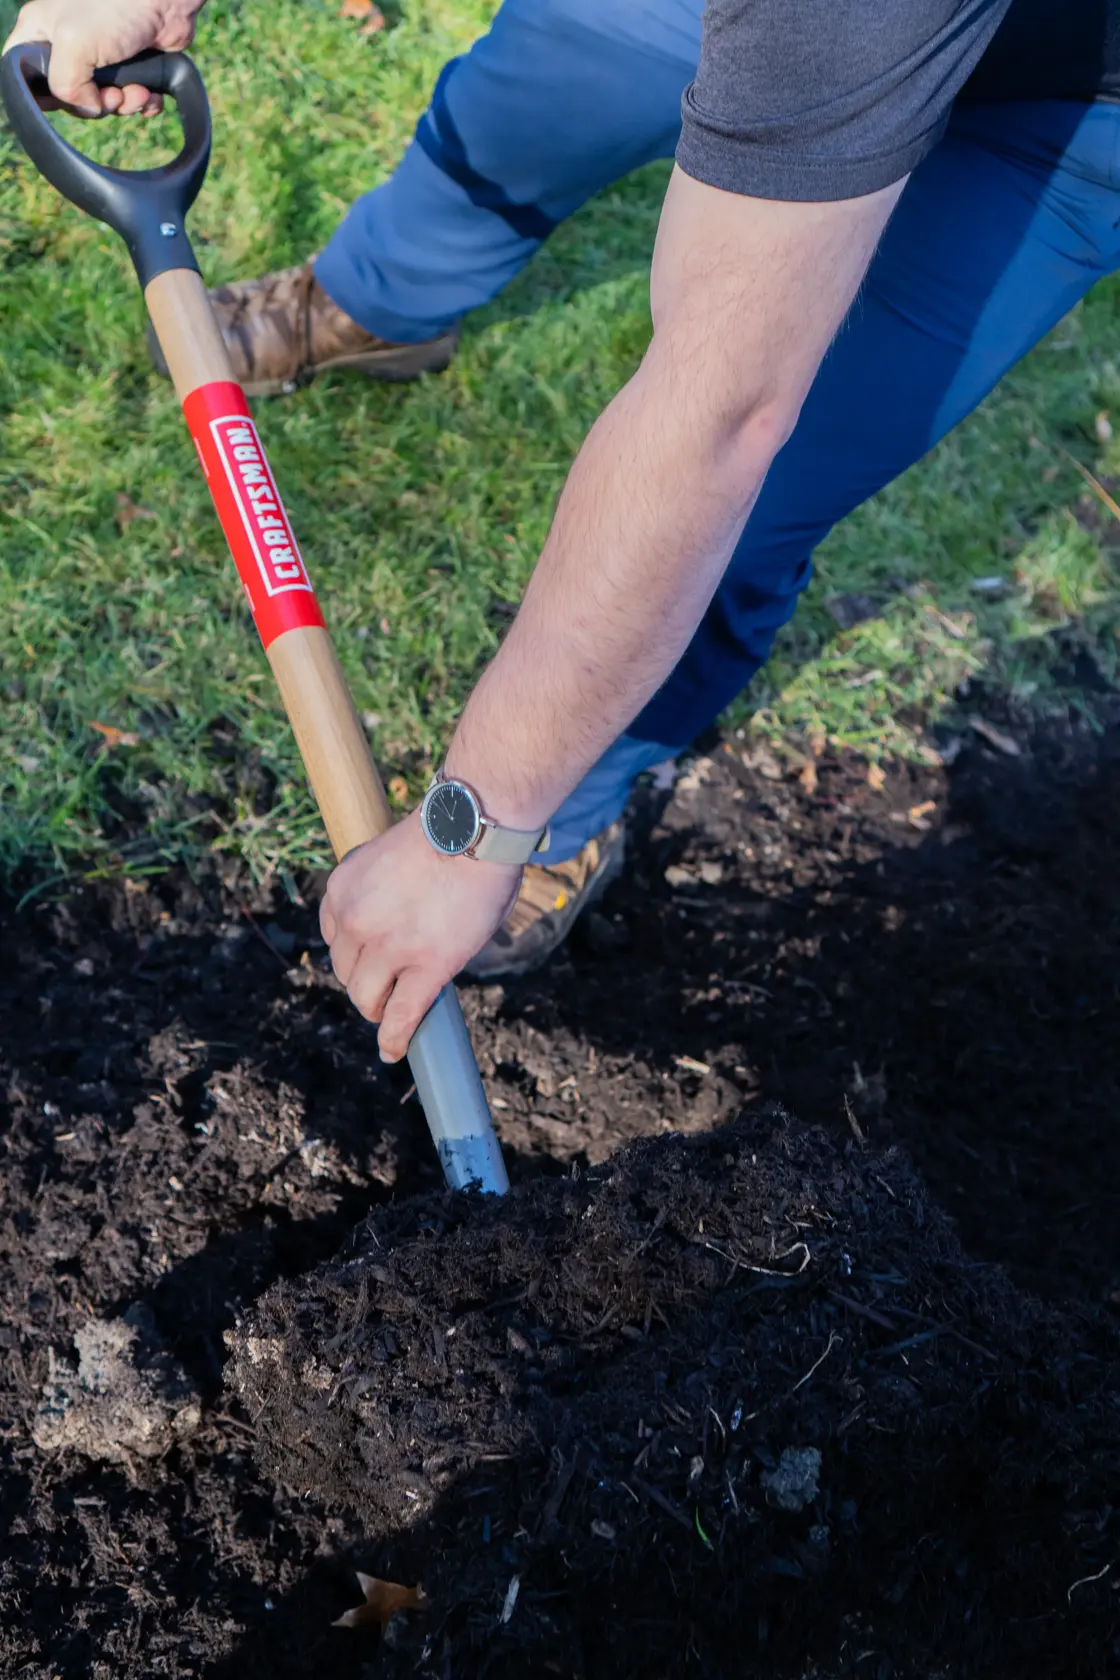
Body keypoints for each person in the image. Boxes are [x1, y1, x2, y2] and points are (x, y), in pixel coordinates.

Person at [8, 0, 1120, 1067]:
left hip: (1065, 101)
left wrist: (473, 826)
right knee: (533, 89)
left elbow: (721, 419)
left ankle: (556, 816)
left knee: (750, 492)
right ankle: (373, 303)